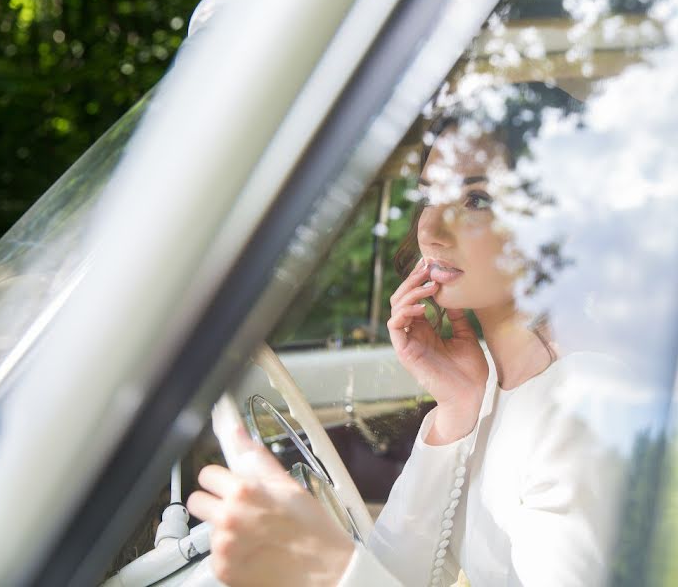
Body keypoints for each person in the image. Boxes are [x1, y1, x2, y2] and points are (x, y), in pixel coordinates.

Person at [187, 83, 623, 586]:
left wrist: (329, 568)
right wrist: (456, 410)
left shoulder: (583, 405)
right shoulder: (488, 384)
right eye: (431, 196)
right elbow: (399, 573)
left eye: (476, 199)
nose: (432, 229)